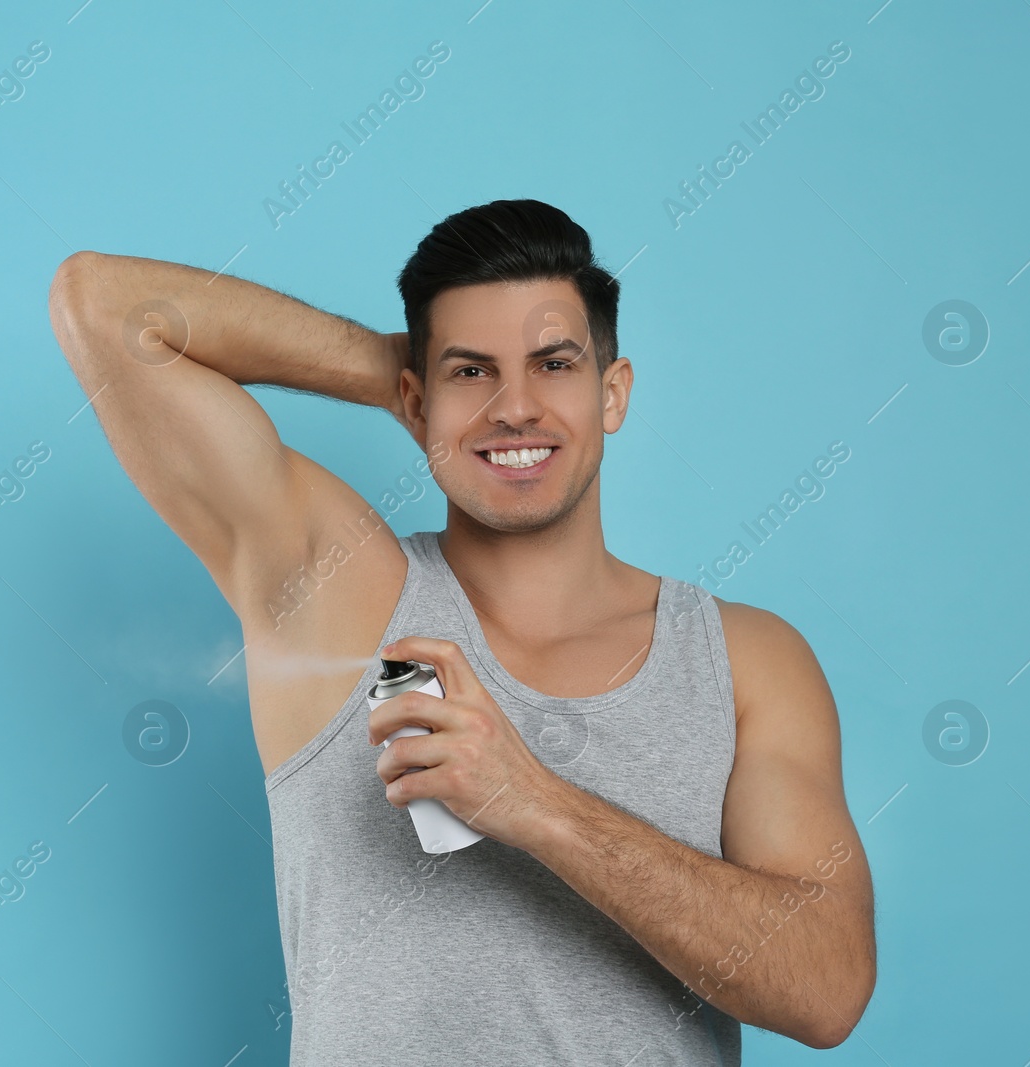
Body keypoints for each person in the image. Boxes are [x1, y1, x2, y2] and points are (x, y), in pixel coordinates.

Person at [47, 198, 876, 1064]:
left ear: (613, 392)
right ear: (414, 395)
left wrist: (535, 802)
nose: (516, 408)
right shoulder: (332, 586)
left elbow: (827, 990)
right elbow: (100, 305)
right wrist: (403, 378)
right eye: (473, 372)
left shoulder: (746, 661)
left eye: (554, 364)